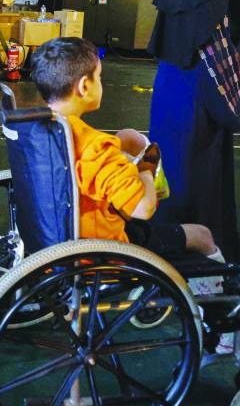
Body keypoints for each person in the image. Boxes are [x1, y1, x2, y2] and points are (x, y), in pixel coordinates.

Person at [30, 37, 224, 263]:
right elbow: (143, 209)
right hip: (101, 247)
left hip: (52, 238)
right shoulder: (96, 147)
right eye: (99, 77)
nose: (100, 83)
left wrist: (120, 154)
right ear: (84, 86)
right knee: (202, 235)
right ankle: (219, 291)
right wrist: (145, 170)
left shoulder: (38, 130)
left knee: (126, 138)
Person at [148, 0, 240, 268]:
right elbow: (218, 67)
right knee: (198, 185)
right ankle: (196, 261)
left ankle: (167, 249)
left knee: (172, 178)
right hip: (199, 105)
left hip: (170, 99)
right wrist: (235, 109)